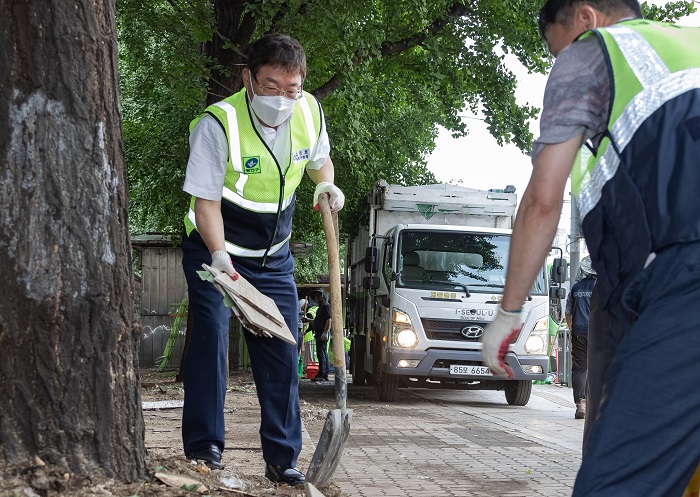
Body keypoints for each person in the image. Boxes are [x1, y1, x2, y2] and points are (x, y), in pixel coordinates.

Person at [480, 1, 700, 495]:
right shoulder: (687, 47)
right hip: (651, 284)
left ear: (584, 18)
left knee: (616, 481)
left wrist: (509, 312)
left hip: (685, 278)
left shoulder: (592, 52)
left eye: (553, 47)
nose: (557, 62)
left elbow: (542, 201)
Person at [179, 33, 344, 486]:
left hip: (273, 256)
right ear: (248, 78)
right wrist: (219, 257)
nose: (282, 98)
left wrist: (325, 185)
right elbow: (205, 203)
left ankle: (282, 458)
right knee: (211, 337)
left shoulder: (308, 111)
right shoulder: (218, 123)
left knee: (281, 346)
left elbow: (319, 163)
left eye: (291, 89)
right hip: (215, 248)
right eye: (270, 86)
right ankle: (205, 448)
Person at [564, 256, 596, 419]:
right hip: (598, 333)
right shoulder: (602, 287)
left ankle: (580, 404)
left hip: (579, 332)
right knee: (598, 367)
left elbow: (568, 312)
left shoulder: (576, 288)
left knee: (579, 368)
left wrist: (571, 329)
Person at [309, 289, 331, 382]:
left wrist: (325, 332)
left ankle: (323, 374)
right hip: (319, 332)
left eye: (318, 295)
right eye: (315, 296)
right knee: (321, 353)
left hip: (322, 332)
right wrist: (309, 321)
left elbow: (328, 319)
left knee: (321, 354)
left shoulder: (325, 306)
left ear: (323, 296)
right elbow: (320, 320)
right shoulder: (320, 307)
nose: (317, 298)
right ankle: (323, 373)